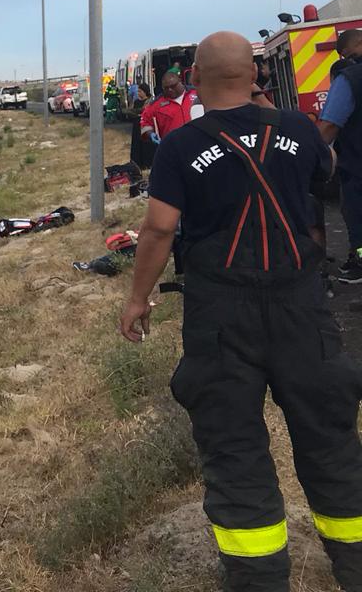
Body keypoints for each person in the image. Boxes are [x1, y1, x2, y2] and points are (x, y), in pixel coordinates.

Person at [118, 31, 362, 592]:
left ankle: (258, 580)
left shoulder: (180, 147)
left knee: (234, 450)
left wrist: (137, 299)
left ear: (196, 79)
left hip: (221, 315)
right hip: (302, 308)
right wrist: (272, 118)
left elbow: (158, 228)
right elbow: (321, 177)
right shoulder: (298, 130)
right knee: (331, 442)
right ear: (255, 76)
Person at [318, 27, 362, 283]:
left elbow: (328, 127)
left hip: (357, 165)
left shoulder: (349, 79)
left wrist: (309, 156)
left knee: (357, 218)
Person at [139, 71, 199, 151]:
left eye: (173, 86)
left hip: (199, 145)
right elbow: (145, 123)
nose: (170, 90)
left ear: (180, 81)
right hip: (173, 149)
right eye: (166, 88)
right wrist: (150, 134)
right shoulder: (155, 105)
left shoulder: (197, 94)